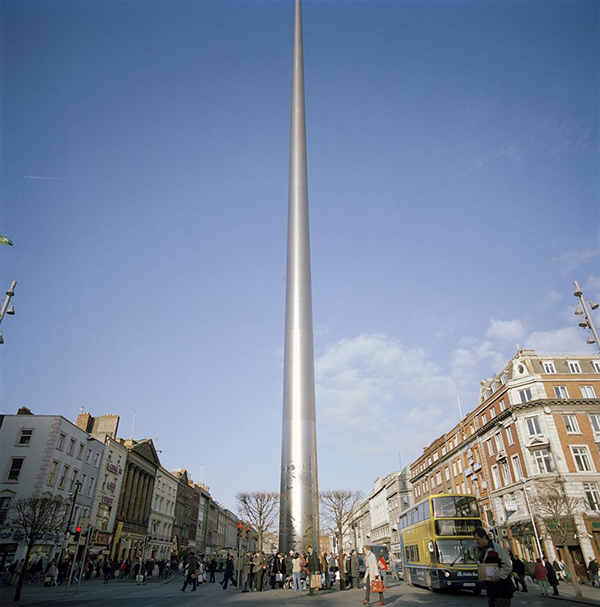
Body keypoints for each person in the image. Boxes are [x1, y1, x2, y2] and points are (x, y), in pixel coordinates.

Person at [473, 527, 514, 607]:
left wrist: (497, 576)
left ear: (484, 537)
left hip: (502, 589)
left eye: (477, 539)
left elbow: (508, 566)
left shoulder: (496, 549)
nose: (476, 542)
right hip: (491, 590)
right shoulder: (481, 551)